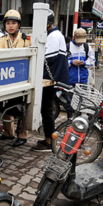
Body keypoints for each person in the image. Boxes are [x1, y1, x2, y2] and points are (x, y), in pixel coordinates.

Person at [32, 10, 70, 152]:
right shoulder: (54, 35)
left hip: (50, 80)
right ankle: (48, 138)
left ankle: (49, 141)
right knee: (46, 109)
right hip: (50, 79)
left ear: (47, 24)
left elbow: (48, 58)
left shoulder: (54, 36)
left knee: (46, 110)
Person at [0, 10, 32, 147]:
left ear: (19, 25)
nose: (10, 26)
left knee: (23, 107)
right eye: (8, 23)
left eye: (14, 23)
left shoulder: (26, 39)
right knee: (6, 105)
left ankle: (22, 135)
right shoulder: (1, 40)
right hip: (5, 78)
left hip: (22, 79)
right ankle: (7, 132)